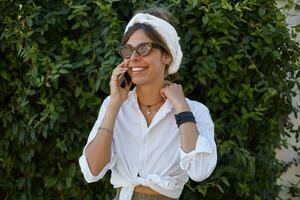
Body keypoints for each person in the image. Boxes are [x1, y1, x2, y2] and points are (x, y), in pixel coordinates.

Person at [79, 7, 217, 200]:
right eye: (128, 50)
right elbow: (92, 172)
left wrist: (182, 109)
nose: (134, 58)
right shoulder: (115, 106)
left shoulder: (194, 111)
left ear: (166, 56)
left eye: (144, 48)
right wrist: (114, 105)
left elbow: (200, 171)